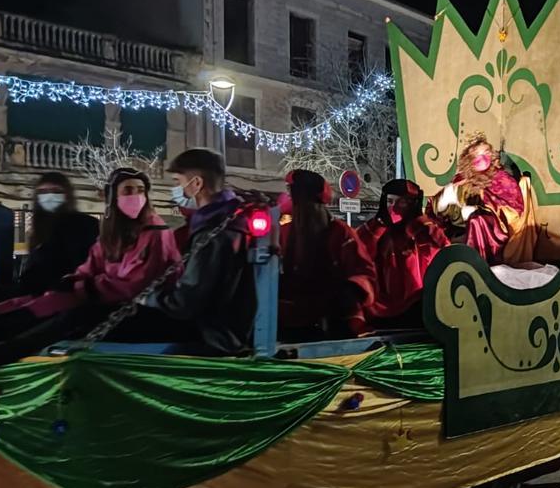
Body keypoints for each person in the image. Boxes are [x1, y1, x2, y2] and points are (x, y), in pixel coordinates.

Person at [0, 168, 181, 375]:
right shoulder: (113, 231)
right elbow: (91, 265)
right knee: (50, 302)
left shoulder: (156, 232)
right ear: (113, 196)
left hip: (145, 308)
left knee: (71, 316)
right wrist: (73, 281)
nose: (135, 196)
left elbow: (134, 284)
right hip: (110, 299)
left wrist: (83, 287)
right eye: (128, 190)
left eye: (140, 190)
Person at [139, 148, 257, 355]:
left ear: (196, 184)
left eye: (177, 182)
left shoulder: (215, 230)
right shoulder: (231, 219)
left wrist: (148, 299)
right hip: (221, 329)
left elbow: (187, 301)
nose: (175, 189)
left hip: (212, 335)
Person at [277, 169, 377, 339]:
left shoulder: (340, 232)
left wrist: (349, 291)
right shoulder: (285, 232)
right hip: (293, 319)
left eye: (304, 203)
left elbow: (364, 272)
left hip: (335, 320)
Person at [358, 178, 451, 324]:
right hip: (384, 307)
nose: (393, 207)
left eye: (400, 202)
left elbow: (445, 253)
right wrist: (377, 228)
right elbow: (359, 253)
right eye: (389, 201)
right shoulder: (376, 229)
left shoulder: (425, 230)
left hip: (418, 303)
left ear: (411, 204)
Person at [429, 134, 526, 265]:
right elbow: (439, 207)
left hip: (493, 229)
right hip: (460, 229)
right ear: (469, 159)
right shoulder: (461, 180)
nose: (482, 158)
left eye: (486, 153)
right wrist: (442, 203)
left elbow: (513, 208)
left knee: (477, 220)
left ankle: (478, 266)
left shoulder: (501, 177)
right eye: (477, 154)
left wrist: (477, 210)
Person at [16, 172, 99, 298]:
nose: (49, 196)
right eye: (43, 192)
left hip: (68, 297)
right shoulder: (39, 228)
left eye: (55, 190)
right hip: (36, 297)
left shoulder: (85, 224)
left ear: (67, 195)